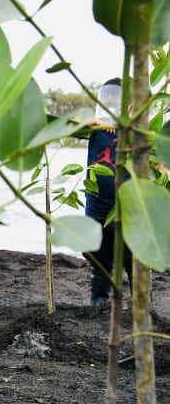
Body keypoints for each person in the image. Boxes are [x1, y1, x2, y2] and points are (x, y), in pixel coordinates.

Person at [83, 78, 133, 307]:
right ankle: (99, 296)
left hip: (127, 205)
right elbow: (71, 124)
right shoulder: (95, 129)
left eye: (116, 100)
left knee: (131, 253)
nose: (111, 103)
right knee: (97, 251)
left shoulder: (136, 132)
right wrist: (96, 121)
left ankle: (140, 299)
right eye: (107, 99)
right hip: (96, 203)